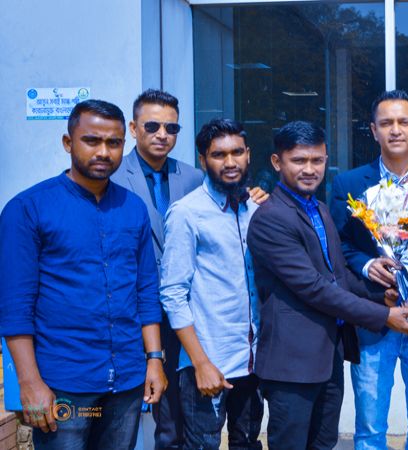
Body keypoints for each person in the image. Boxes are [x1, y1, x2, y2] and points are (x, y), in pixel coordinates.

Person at [247, 121, 408, 450]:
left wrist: (383, 295)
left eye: (317, 160)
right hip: (292, 364)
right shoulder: (271, 218)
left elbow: (338, 276)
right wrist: (384, 316)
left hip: (328, 356)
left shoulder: (320, 209)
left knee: (324, 443)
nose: (309, 169)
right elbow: (314, 288)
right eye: (299, 160)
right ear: (277, 162)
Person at [0, 100, 166, 449]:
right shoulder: (27, 209)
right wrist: (29, 382)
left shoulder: (132, 208)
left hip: (127, 381)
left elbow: (146, 291)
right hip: (64, 382)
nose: (104, 152)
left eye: (114, 143)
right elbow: (15, 306)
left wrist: (154, 360)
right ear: (68, 142)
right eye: (92, 140)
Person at [329, 90, 408, 450]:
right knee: (369, 430)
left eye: (403, 122)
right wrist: (367, 264)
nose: (395, 130)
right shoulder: (349, 184)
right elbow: (338, 246)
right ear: (373, 130)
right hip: (374, 318)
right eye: (386, 123)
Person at [159, 119, 263, 449]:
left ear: (248, 155)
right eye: (219, 155)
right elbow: (173, 294)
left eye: (237, 152)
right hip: (208, 362)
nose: (230, 162)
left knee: (247, 443)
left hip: (253, 360)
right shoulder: (187, 213)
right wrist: (200, 363)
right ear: (203, 160)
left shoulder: (256, 209)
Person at [110, 89, 202, 449]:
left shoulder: (193, 178)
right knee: (124, 411)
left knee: (174, 409)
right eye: (152, 126)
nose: (163, 134)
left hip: (181, 312)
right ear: (134, 128)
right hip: (130, 310)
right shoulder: (112, 175)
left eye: (171, 128)